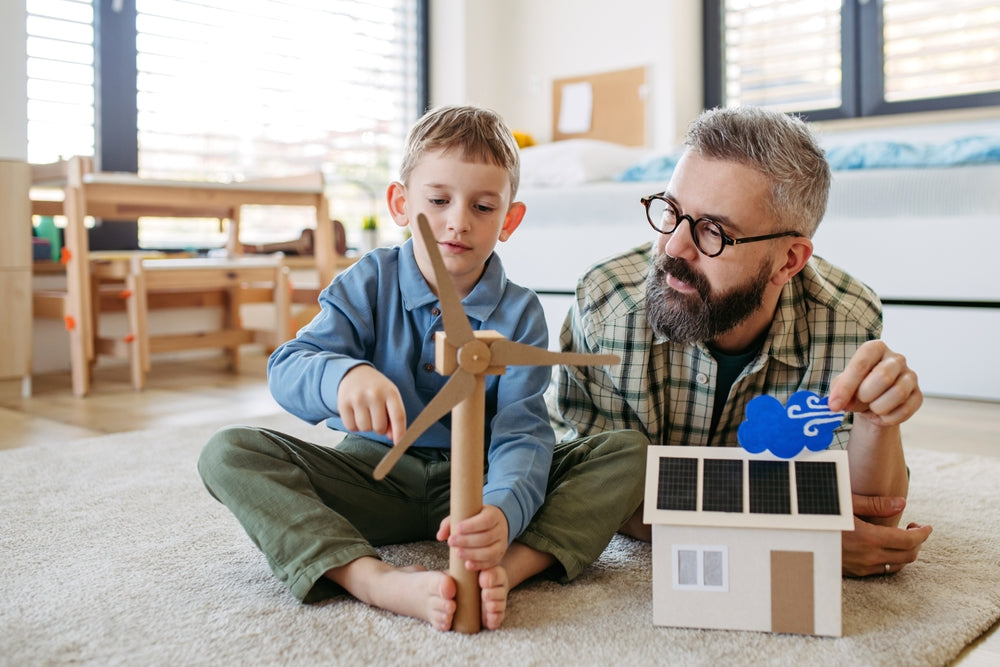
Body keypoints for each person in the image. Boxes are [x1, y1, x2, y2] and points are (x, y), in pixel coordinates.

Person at [198, 105, 645, 632]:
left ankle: (509, 565)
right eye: (438, 200)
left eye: (483, 206)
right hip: (375, 476)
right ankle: (368, 578)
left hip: (479, 484)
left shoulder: (521, 314)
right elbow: (288, 368)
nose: (458, 221)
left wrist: (502, 513)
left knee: (628, 453)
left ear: (510, 221)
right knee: (229, 452)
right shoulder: (368, 281)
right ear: (400, 203)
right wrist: (340, 376)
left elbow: (521, 432)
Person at [554, 105, 932, 578]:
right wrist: (782, 529)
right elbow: (584, 491)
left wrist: (879, 424)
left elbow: (869, 523)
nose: (673, 247)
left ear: (788, 261)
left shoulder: (846, 320)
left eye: (714, 232)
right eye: (671, 212)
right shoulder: (605, 306)